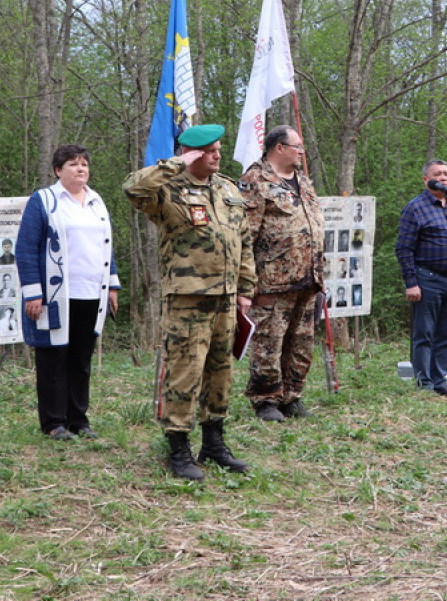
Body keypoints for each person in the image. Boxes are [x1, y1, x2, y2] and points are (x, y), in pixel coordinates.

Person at [124, 124, 256, 480]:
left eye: (217, 149)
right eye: (209, 150)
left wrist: (246, 288)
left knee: (220, 371)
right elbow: (133, 187)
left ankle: (214, 443)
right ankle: (178, 449)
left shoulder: (227, 188)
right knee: (185, 372)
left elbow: (242, 240)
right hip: (188, 297)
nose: (217, 154)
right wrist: (175, 163)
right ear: (193, 153)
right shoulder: (167, 189)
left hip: (226, 298)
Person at [17, 144, 120, 442]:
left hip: (92, 293)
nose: (81, 169)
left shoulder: (97, 202)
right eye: (73, 164)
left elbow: (107, 248)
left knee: (80, 359)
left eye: (84, 164)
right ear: (58, 170)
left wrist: (112, 285)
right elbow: (25, 249)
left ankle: (78, 419)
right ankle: (53, 422)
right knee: (53, 358)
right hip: (55, 295)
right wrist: (33, 294)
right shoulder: (44, 201)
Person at [238, 125, 325, 423]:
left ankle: (291, 396)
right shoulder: (255, 180)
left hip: (308, 277)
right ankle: (265, 399)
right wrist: (247, 284)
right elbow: (245, 236)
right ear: (279, 148)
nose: (301, 151)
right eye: (297, 146)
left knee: (301, 343)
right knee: (269, 343)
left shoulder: (303, 180)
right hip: (273, 281)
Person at [396, 159, 447, 398]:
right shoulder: (415, 208)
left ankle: (440, 380)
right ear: (425, 179)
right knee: (425, 332)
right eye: (437, 174)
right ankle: (425, 382)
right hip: (427, 278)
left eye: (446, 174)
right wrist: (411, 282)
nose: (443, 178)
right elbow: (404, 248)